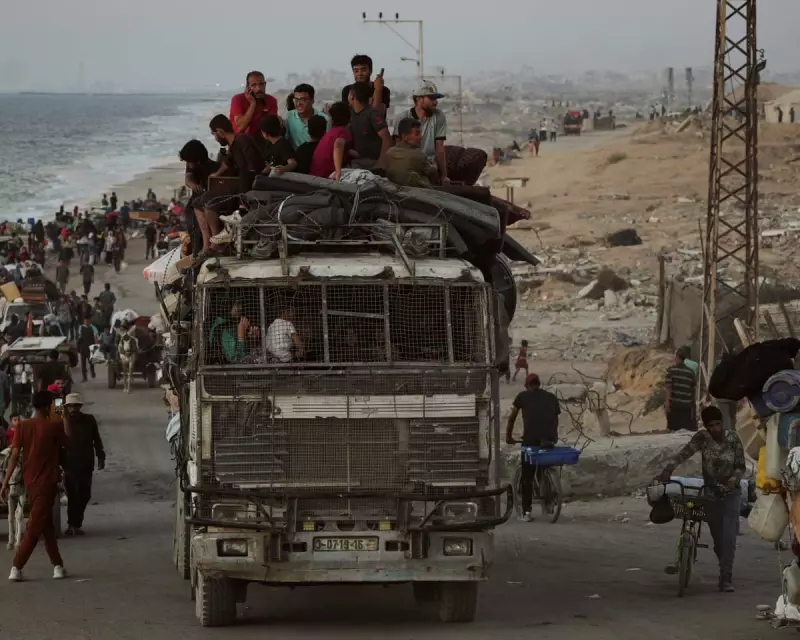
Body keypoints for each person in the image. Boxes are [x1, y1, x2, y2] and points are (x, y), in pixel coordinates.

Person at [658, 405, 745, 592]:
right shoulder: (702, 438)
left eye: (717, 424)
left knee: (729, 538)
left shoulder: (733, 438)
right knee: (718, 540)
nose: (715, 429)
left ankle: (726, 579)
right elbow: (684, 453)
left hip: (731, 495)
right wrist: (668, 469)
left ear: (722, 423)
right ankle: (724, 567)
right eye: (711, 425)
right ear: (706, 427)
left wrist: (732, 480)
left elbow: (740, 466)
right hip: (711, 494)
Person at [1, 389, 70, 581]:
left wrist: (5, 482)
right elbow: (69, 444)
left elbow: (14, 456)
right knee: (34, 527)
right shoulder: (54, 426)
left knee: (45, 525)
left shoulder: (22, 426)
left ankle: (58, 565)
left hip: (30, 481)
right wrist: (63, 418)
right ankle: (16, 566)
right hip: (47, 482)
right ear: (50, 406)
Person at [194, 115, 262, 253]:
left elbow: (253, 167)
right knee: (197, 202)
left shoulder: (243, 140)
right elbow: (228, 162)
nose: (215, 138)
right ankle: (209, 243)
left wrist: (244, 195)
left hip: (247, 189)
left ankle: (218, 243)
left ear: (220, 131)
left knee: (209, 199)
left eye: (214, 135)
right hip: (240, 187)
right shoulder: (234, 144)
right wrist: (217, 174)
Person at [505, 374, 561, 522]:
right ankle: (549, 502)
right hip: (549, 440)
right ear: (539, 384)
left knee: (527, 478)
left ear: (527, 385)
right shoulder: (551, 397)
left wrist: (508, 436)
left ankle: (526, 512)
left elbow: (512, 418)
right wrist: (552, 436)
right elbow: (555, 419)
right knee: (545, 465)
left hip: (530, 440)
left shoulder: (522, 396)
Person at [61, 393, 104, 536]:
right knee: (73, 494)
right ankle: (72, 524)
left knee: (85, 495)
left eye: (76, 406)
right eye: (71, 406)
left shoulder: (89, 420)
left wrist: (101, 456)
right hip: (69, 463)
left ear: (80, 407)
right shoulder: (62, 422)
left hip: (86, 462)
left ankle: (76, 523)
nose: (73, 409)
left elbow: (96, 439)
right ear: (66, 407)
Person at [400, 83, 449, 183]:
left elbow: (439, 147)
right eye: (431, 98)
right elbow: (398, 145)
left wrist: (444, 176)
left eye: (436, 99)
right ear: (419, 99)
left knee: (432, 171)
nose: (435, 102)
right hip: (408, 161)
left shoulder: (439, 116)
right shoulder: (404, 117)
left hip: (428, 163)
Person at [347, 82, 392, 170]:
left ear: (352, 96)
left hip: (371, 163)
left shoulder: (373, 114)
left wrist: (381, 163)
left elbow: (387, 139)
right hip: (355, 161)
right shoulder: (350, 114)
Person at [384, 118, 438, 187]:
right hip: (417, 192)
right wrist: (434, 166)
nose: (421, 137)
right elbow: (430, 172)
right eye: (417, 134)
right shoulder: (419, 155)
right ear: (404, 136)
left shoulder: (389, 152)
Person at [229, 71, 279, 140]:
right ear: (248, 87)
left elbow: (272, 129)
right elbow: (241, 127)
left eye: (261, 84)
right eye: (253, 85)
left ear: (265, 85)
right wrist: (252, 104)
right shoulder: (238, 99)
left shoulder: (271, 100)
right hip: (241, 143)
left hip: (263, 142)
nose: (258, 88)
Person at [310, 102, 352, 180]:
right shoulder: (343, 132)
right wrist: (338, 172)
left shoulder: (332, 132)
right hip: (325, 176)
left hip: (316, 175)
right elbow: (338, 145)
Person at [284, 84, 330, 149]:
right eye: (296, 100)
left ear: (312, 100)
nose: (299, 103)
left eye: (303, 100)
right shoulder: (289, 116)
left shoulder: (324, 119)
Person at [665, 346, 697, 432]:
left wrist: (667, 403)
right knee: (684, 431)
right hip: (686, 406)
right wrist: (692, 404)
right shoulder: (691, 372)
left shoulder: (671, 370)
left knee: (673, 429)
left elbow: (669, 388)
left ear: (677, 357)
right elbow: (693, 389)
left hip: (674, 405)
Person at [77, 316, 97, 382]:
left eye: (87, 321)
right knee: (83, 364)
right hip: (83, 348)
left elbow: (95, 337)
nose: (86, 322)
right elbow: (79, 337)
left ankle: (92, 372)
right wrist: (78, 348)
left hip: (90, 347)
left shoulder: (93, 328)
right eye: (85, 321)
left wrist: (95, 346)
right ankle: (84, 377)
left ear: (89, 321)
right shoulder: (81, 328)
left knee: (91, 361)